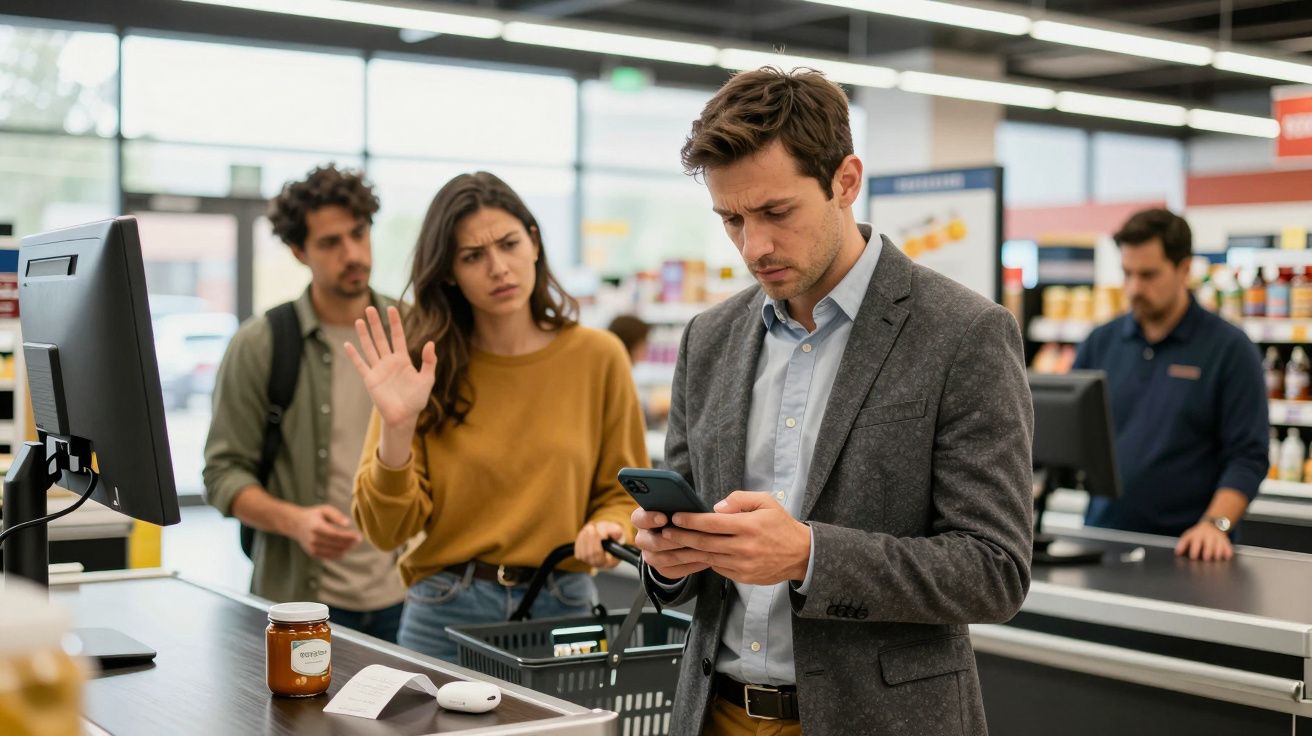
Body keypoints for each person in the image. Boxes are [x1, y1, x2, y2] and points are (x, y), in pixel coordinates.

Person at [632, 67, 1033, 735]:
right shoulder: (710, 339)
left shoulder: (964, 333)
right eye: (732, 219)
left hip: (880, 718)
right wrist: (671, 559)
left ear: (846, 181)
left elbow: (993, 569)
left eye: (776, 213)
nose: (753, 246)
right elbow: (694, 539)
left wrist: (809, 556)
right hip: (715, 712)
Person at [348, 172, 646, 662]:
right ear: (449, 272)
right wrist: (397, 429)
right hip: (447, 609)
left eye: (509, 244)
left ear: (533, 242)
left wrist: (610, 527)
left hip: (565, 604)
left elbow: (621, 492)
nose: (498, 268)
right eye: (472, 256)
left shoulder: (598, 357)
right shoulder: (422, 369)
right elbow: (386, 532)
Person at [203, 164, 407, 642]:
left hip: (408, 594)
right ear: (299, 252)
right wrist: (295, 521)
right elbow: (221, 474)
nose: (353, 253)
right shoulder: (262, 343)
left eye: (358, 234)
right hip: (300, 600)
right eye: (330, 243)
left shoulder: (413, 332)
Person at [1074, 208, 1268, 561]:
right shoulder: (1099, 343)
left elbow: (1248, 456)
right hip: (1101, 541)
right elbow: (1072, 438)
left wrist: (1216, 524)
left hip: (1190, 551)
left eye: (1148, 275)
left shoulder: (1230, 349)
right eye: (1127, 274)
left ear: (1184, 269)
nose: (1134, 288)